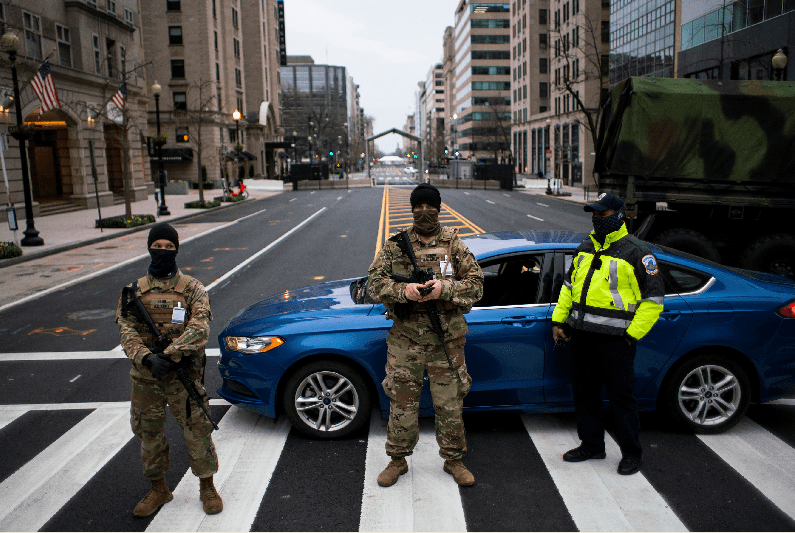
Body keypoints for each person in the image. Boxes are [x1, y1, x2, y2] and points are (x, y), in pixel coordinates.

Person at [368, 183, 484, 488]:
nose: (423, 212)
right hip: (406, 341)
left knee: (449, 404)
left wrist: (443, 288)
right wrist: (401, 290)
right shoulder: (395, 245)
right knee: (402, 403)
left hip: (446, 339)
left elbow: (477, 285)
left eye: (429, 206)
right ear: (411, 208)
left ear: (439, 207)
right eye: (417, 206)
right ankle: (397, 461)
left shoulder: (454, 245)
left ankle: (454, 460)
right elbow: (372, 283)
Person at [551, 193, 664, 476]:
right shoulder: (585, 247)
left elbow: (654, 301)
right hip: (582, 337)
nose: (597, 219)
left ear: (619, 215)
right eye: (595, 214)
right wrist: (559, 320)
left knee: (621, 398)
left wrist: (631, 335)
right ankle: (591, 445)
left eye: (603, 214)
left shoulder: (638, 252)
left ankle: (631, 453)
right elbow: (568, 287)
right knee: (585, 395)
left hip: (616, 341)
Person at [116, 222, 223, 516]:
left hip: (181, 375)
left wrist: (170, 354)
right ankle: (158, 489)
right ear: (149, 247)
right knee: (149, 434)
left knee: (198, 430)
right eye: (157, 245)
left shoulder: (192, 289)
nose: (162, 251)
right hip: (147, 377)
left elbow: (200, 328)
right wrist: (146, 358)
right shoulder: (134, 291)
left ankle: (207, 486)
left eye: (169, 246)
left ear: (177, 249)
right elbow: (127, 330)